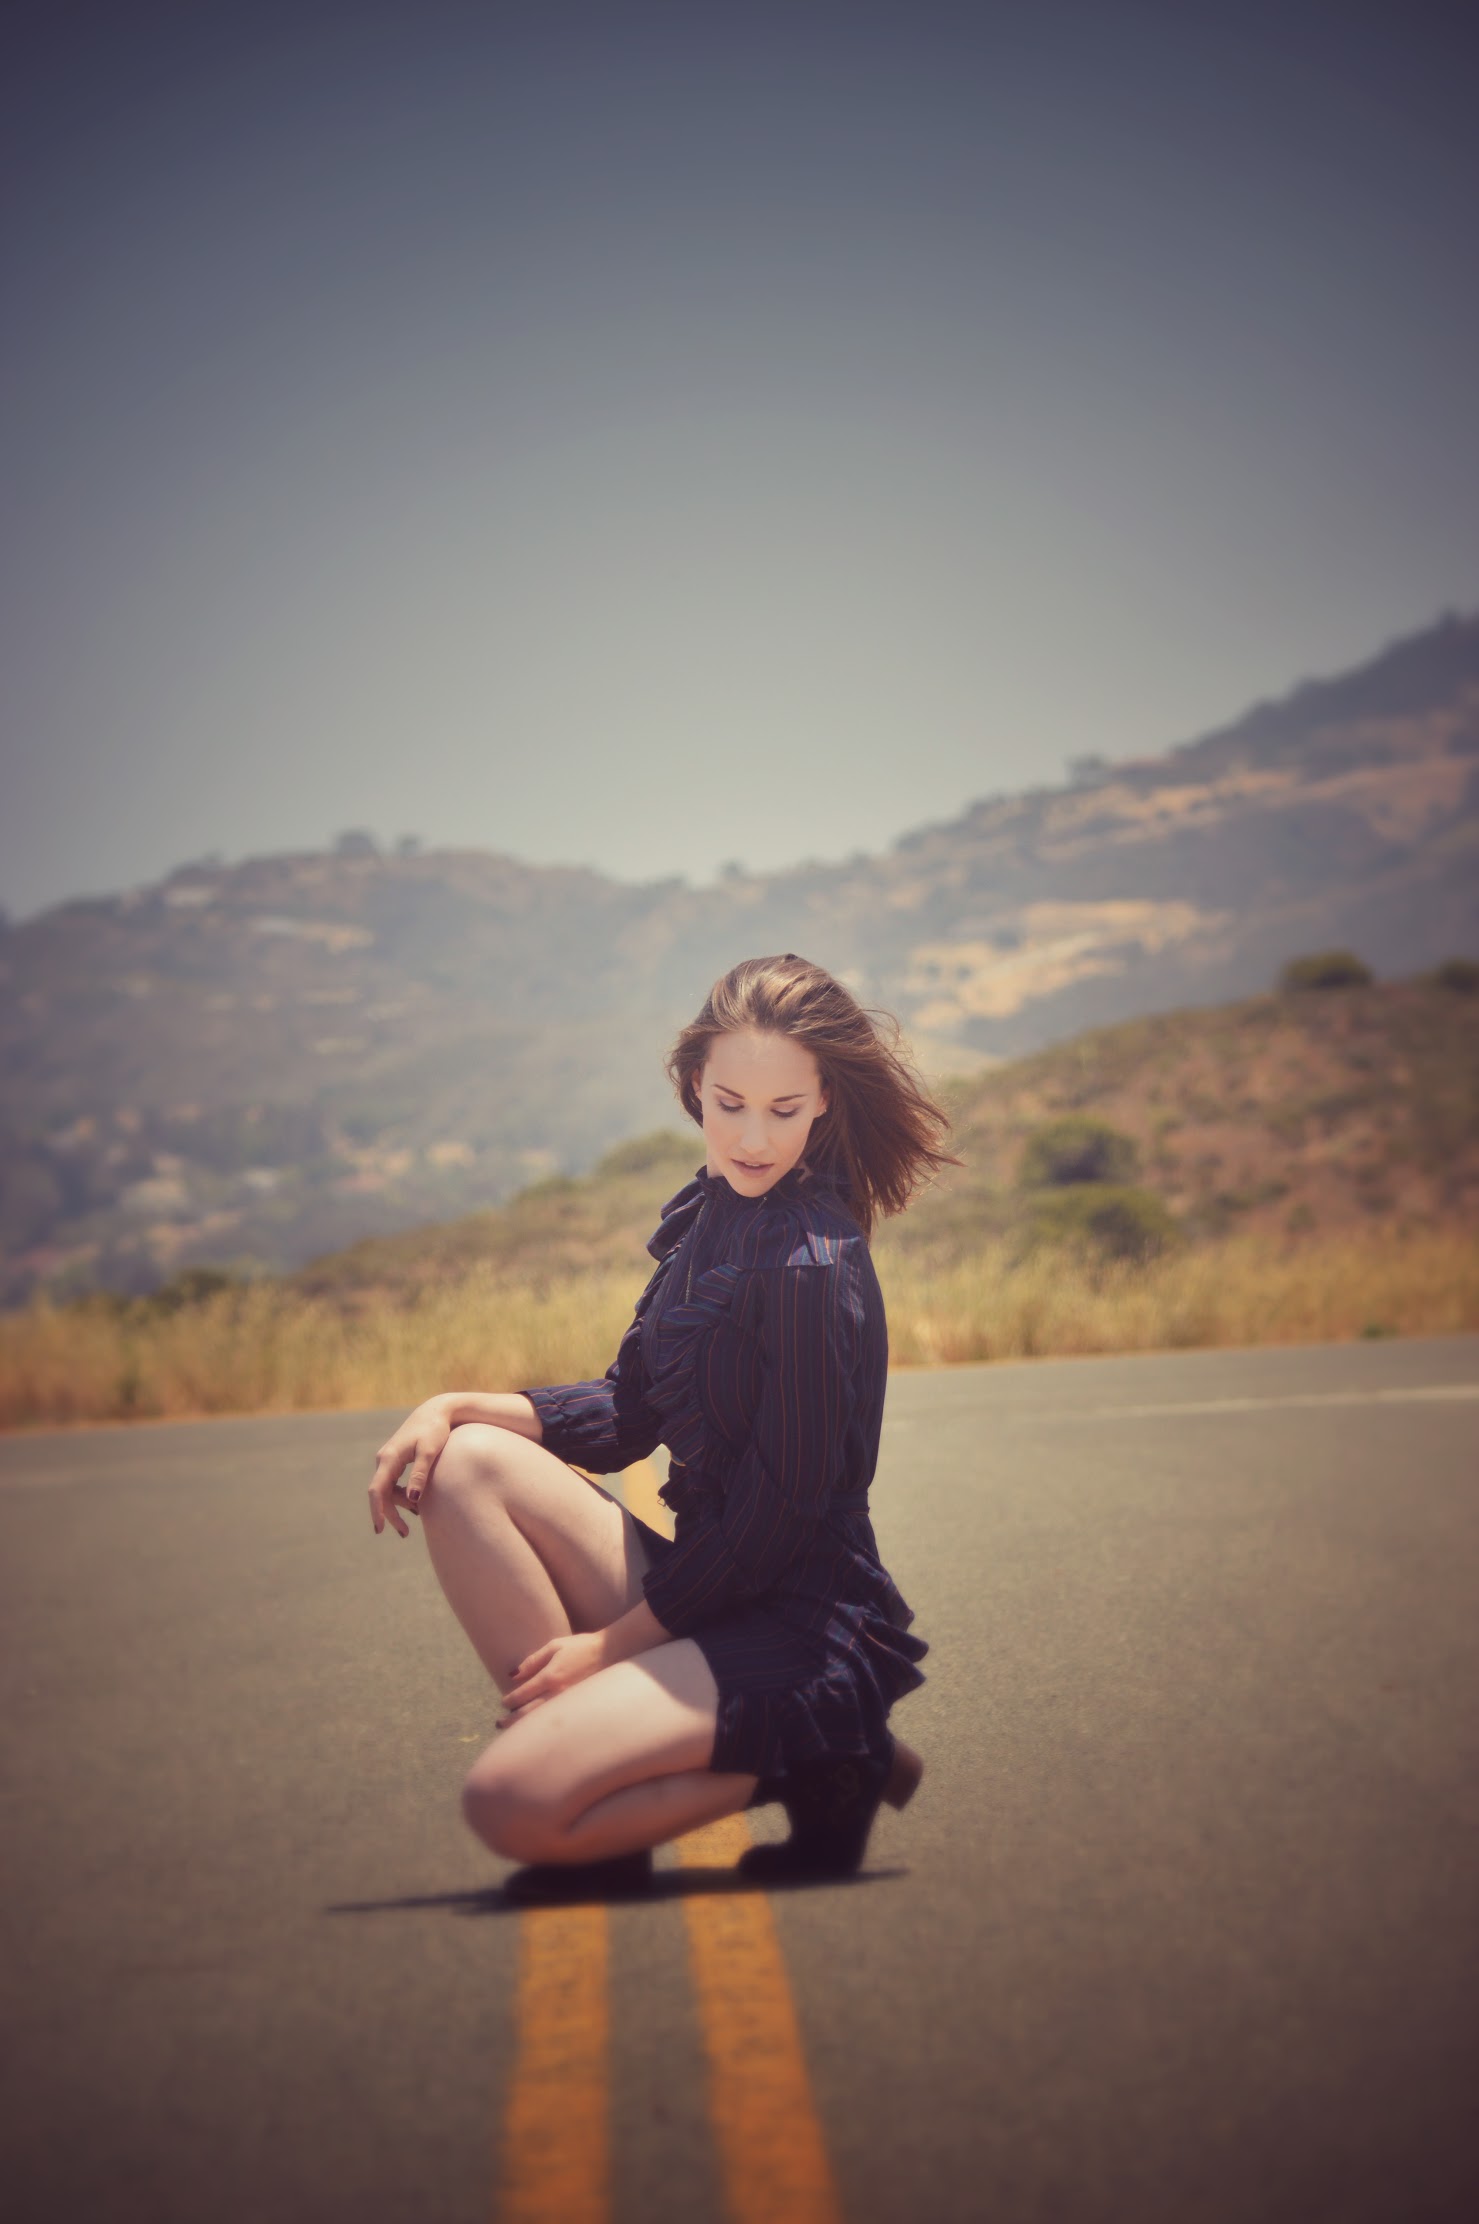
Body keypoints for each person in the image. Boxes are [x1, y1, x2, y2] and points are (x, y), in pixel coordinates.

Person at [367, 952, 961, 1898]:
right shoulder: (710, 1216)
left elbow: (777, 1522)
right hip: (708, 1583)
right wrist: (450, 1406)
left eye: (783, 1110)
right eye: (730, 1104)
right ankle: (602, 1803)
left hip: (795, 1620)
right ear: (694, 1086)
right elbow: (627, 1415)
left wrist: (609, 1649)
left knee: (507, 1806)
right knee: (465, 1463)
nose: (753, 1139)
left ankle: (822, 1750)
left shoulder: (810, 1266)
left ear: (823, 1103)